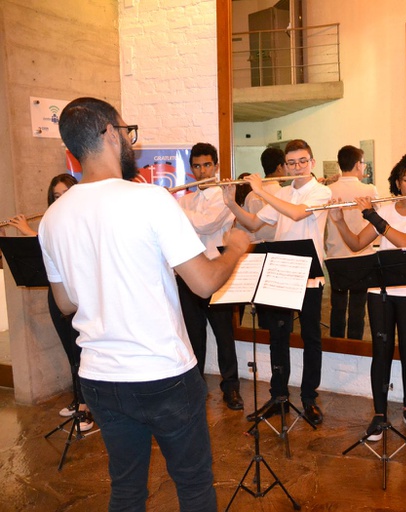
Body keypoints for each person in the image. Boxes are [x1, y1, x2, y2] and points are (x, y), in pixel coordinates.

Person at [38, 97, 249, 511]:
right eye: (127, 131)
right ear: (109, 134)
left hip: (99, 377)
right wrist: (236, 249)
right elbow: (204, 283)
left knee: (126, 488)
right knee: (193, 486)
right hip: (162, 373)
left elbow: (65, 303)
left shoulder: (52, 219)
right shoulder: (150, 199)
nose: (130, 140)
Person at [328, 152, 406, 439]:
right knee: (381, 350)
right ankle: (379, 414)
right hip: (381, 289)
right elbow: (356, 244)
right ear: (397, 183)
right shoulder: (387, 209)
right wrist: (339, 221)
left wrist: (372, 215)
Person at [223, 139, 331, 425]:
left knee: (311, 338)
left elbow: (297, 213)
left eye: (303, 161)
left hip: (309, 274)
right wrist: (230, 202)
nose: (298, 167)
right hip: (282, 272)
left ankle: (309, 399)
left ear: (312, 162)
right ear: (286, 165)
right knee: (278, 338)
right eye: (292, 163)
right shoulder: (282, 192)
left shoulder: (322, 191)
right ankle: (279, 397)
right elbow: (253, 223)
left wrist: (261, 191)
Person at [4, 174, 92, 428]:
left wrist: (30, 232)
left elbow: (69, 252)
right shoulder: (51, 224)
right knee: (70, 351)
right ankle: (78, 398)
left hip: (80, 295)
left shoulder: (85, 221)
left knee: (82, 351)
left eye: (66, 194)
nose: (61, 199)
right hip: (57, 295)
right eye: (56, 196)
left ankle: (87, 406)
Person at [176, 142, 244, 411]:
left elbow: (206, 224)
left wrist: (176, 210)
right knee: (194, 336)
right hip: (189, 275)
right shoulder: (185, 200)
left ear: (215, 166)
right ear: (191, 169)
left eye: (207, 165)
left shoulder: (225, 197)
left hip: (217, 273)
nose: (202, 171)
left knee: (224, 335)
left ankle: (231, 388)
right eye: (196, 166)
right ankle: (196, 388)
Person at [325, 145, 378, 340]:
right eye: (363, 164)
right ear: (357, 164)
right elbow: (379, 219)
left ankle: (336, 344)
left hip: (336, 255)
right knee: (358, 307)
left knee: (337, 306)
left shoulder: (328, 190)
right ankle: (355, 345)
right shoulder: (369, 189)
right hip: (363, 254)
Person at [238, 147, 285, 243]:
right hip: (279, 245)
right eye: (287, 165)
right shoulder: (284, 194)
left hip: (257, 245)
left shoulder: (250, 195)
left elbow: (245, 224)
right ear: (279, 168)